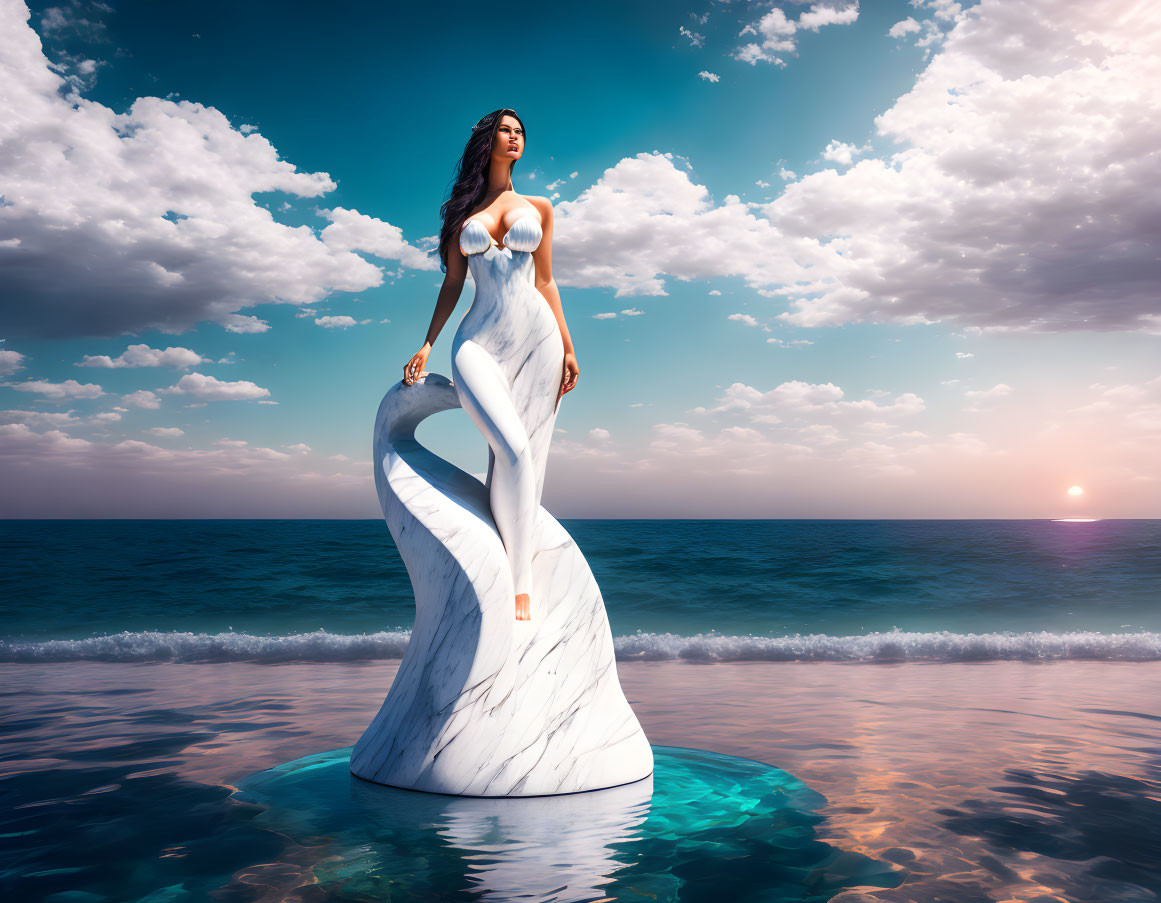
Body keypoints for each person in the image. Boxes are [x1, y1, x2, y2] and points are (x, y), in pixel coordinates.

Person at [401, 109, 579, 622]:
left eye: (521, 131)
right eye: (506, 129)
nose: (515, 137)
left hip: (536, 342)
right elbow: (454, 284)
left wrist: (567, 347)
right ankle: (509, 567)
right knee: (513, 450)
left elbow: (546, 282)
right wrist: (428, 344)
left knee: (521, 459)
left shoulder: (540, 207)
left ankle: (518, 580)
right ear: (488, 139)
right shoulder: (463, 216)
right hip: (477, 342)